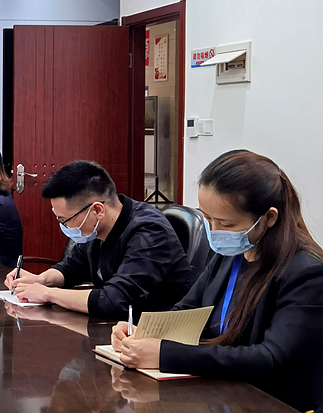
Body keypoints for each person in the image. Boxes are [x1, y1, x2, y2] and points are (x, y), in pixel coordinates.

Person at [111, 150, 323, 412]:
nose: (214, 232)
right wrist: (141, 333)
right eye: (208, 219)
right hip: (221, 393)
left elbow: (270, 359)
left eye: (226, 224)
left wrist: (164, 354)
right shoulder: (231, 253)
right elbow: (186, 312)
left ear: (269, 218)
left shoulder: (306, 273)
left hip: (271, 402)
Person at [5, 160, 193, 320]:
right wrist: (41, 280)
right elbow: (72, 268)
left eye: (65, 220)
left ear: (97, 210)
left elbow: (116, 300)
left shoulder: (150, 231)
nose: (64, 226)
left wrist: (48, 294)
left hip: (158, 333)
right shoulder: (96, 229)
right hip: (116, 328)